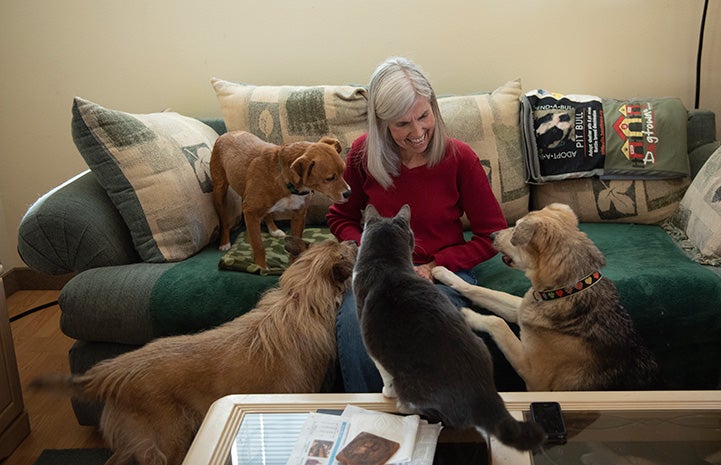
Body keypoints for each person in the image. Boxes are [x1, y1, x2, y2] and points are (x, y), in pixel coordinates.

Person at [327, 56, 508, 392]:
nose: (417, 132)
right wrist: (369, 252)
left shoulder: (459, 158)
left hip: (438, 275)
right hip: (378, 272)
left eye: (423, 117)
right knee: (356, 319)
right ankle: (370, 423)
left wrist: (436, 265)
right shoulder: (361, 154)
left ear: (434, 109)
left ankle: (428, 431)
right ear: (382, 124)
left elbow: (491, 235)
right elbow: (340, 217)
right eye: (401, 124)